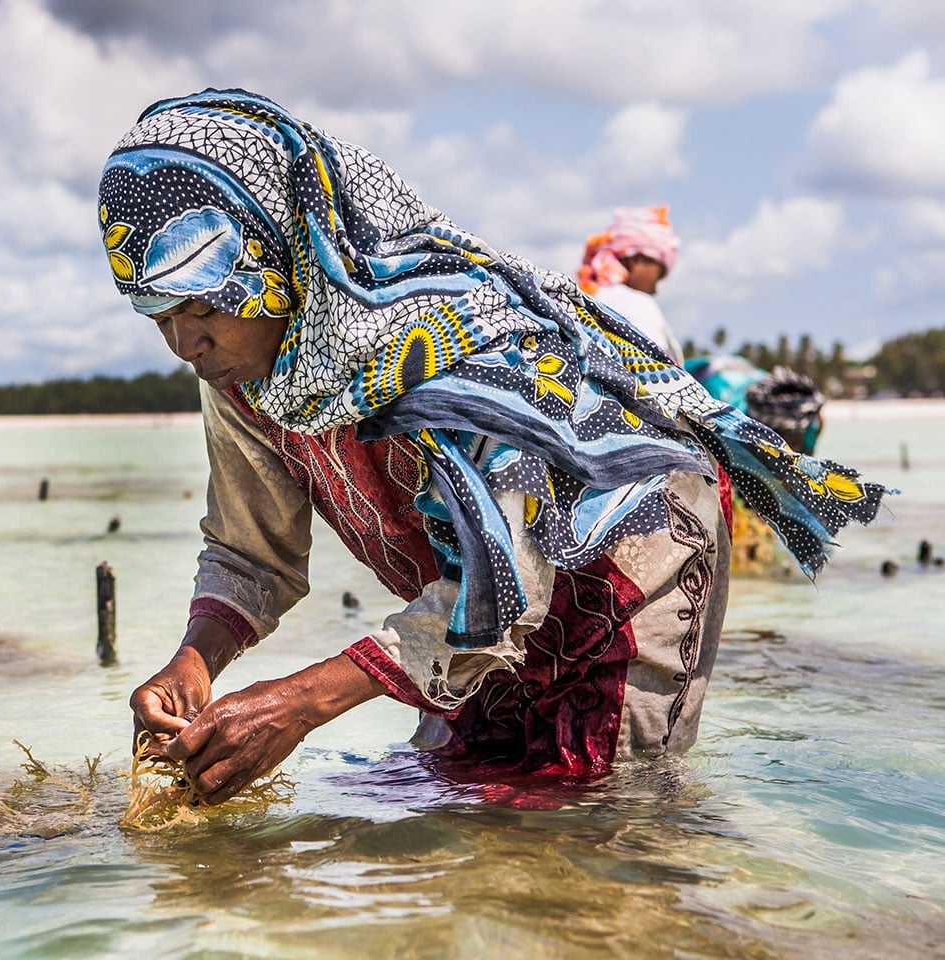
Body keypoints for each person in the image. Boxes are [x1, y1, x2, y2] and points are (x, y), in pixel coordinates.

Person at [98, 90, 886, 805]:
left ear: (274, 258)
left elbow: (507, 587)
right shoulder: (247, 374)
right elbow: (253, 551)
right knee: (455, 799)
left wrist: (301, 702)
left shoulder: (446, 344)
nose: (182, 342)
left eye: (202, 303)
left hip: (626, 572)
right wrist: (195, 663)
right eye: (157, 315)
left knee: (600, 826)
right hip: (471, 606)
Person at [684, 354, 828, 575]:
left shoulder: (810, 420)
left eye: (795, 441)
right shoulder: (721, 411)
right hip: (700, 385)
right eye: (788, 439)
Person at [577, 207, 685, 363]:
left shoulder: (584, 296)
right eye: (658, 276)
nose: (655, 289)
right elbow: (657, 370)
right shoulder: (638, 304)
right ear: (637, 260)